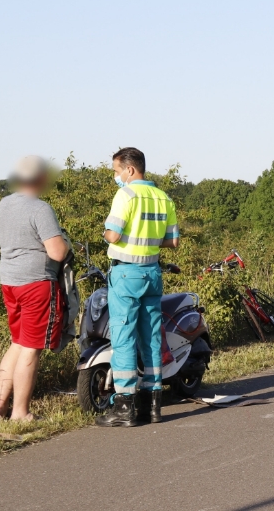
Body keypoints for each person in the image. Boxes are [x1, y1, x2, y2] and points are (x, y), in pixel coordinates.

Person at [95, 147, 179, 428]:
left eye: (117, 172)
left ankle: (124, 406)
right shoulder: (163, 198)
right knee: (152, 338)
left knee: (123, 339)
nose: (116, 178)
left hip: (126, 274)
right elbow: (173, 242)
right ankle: (153, 405)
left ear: (130, 170)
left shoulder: (126, 195)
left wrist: (106, 233)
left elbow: (114, 234)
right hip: (152, 273)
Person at [0, 156, 69, 422]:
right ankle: (20, 412)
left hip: (9, 281)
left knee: (16, 342)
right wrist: (67, 244)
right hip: (36, 282)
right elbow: (57, 252)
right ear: (41, 179)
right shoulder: (40, 209)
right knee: (31, 347)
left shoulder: (5, 204)